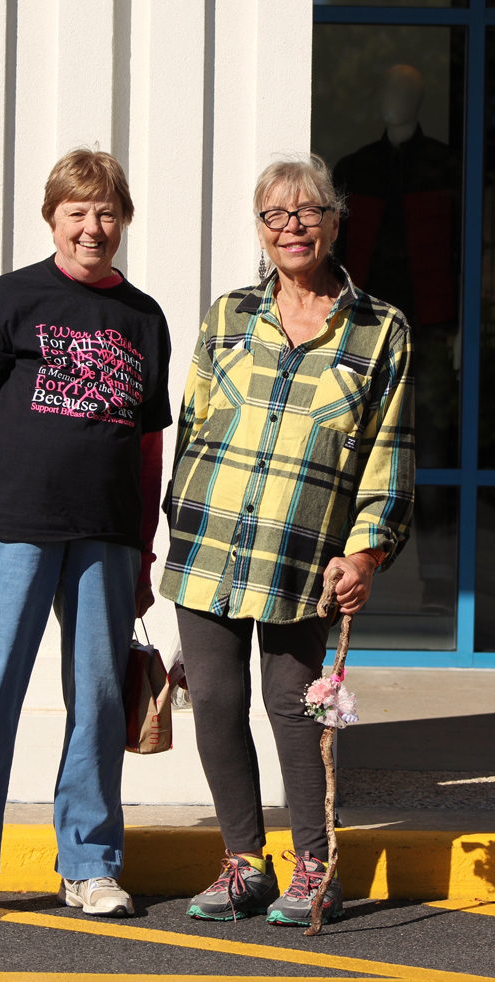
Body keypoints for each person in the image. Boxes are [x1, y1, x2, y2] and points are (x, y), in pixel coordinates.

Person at [160, 154, 414, 925]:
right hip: (211, 542)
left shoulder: (380, 328)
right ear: (261, 228)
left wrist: (366, 551)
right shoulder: (228, 316)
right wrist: (169, 526)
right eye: (275, 214)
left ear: (335, 222)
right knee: (215, 699)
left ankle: (315, 867)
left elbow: (389, 454)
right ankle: (244, 864)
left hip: (304, 554)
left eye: (307, 211)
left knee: (294, 704)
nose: (291, 226)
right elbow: (192, 425)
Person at [0, 149, 171, 921]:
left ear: (123, 221)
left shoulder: (144, 317)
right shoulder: (11, 298)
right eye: (77, 212)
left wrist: (141, 557)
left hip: (105, 539)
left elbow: (148, 449)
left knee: (98, 703)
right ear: (52, 218)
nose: (92, 227)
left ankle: (89, 865)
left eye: (106, 213)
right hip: (8, 530)